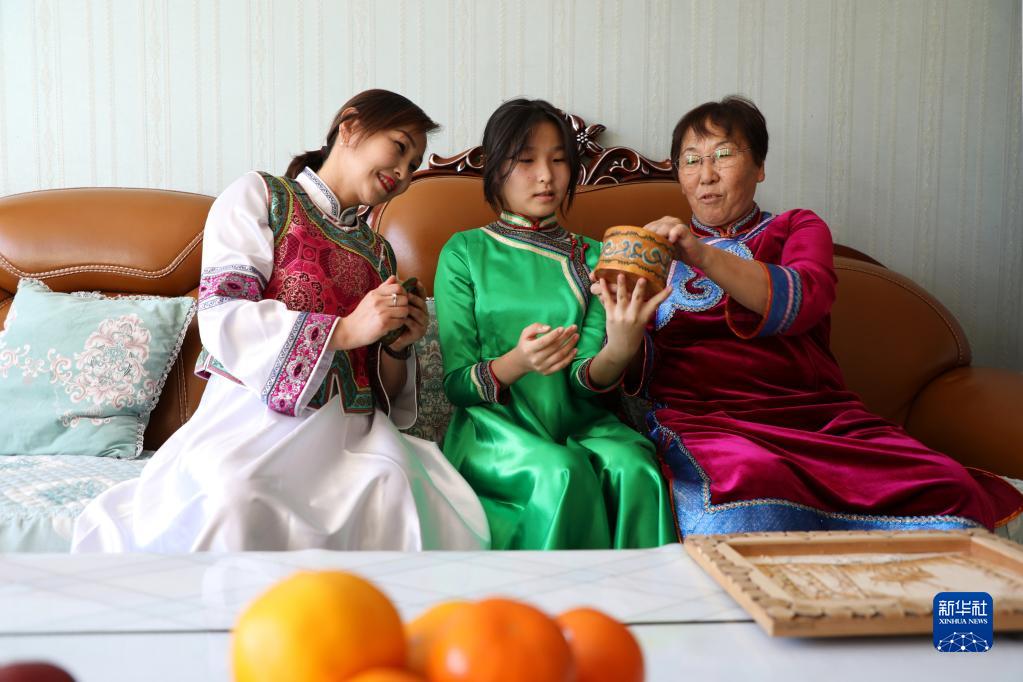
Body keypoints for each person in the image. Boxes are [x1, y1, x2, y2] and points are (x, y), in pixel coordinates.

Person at [72, 89, 490, 552]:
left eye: (413, 165)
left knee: (399, 488)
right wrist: (346, 330)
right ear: (350, 127)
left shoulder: (379, 252)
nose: (404, 173)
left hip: (352, 435)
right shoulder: (261, 196)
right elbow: (222, 310)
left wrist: (395, 344)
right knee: (238, 496)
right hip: (253, 418)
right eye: (399, 147)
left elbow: (378, 390)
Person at [635, 95, 1023, 537]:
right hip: (711, 426)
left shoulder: (795, 228)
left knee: (948, 488)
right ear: (679, 176)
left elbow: (803, 303)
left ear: (759, 167)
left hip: (823, 419)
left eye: (723, 155)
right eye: (691, 160)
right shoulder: (656, 254)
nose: (706, 174)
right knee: (750, 489)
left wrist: (702, 255)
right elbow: (637, 369)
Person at [434, 98, 676, 550]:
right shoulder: (463, 252)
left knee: (635, 467)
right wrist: (516, 362)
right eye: (526, 160)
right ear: (495, 167)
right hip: (496, 431)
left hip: (582, 424)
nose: (546, 176)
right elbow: (456, 384)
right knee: (561, 473)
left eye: (559, 160)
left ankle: (642, 595)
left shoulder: (596, 256)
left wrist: (621, 346)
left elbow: (585, 381)